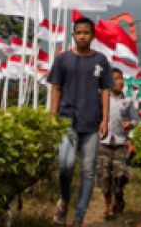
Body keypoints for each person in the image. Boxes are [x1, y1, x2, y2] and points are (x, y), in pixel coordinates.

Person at [48, 18, 111, 226]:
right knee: (65, 164)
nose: (82, 35)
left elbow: (105, 91)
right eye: (79, 32)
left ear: (93, 36)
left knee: (88, 170)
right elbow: (55, 88)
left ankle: (78, 218)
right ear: (73, 35)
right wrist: (52, 117)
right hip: (67, 120)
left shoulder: (101, 61)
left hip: (92, 123)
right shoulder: (62, 59)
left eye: (86, 32)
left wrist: (105, 119)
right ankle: (65, 199)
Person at [98, 68, 139, 219]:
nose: (119, 81)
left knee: (120, 175)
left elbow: (135, 119)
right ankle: (108, 206)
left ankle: (119, 195)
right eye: (115, 78)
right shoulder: (102, 99)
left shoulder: (127, 101)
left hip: (121, 143)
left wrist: (131, 123)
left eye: (121, 78)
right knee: (104, 176)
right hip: (104, 142)